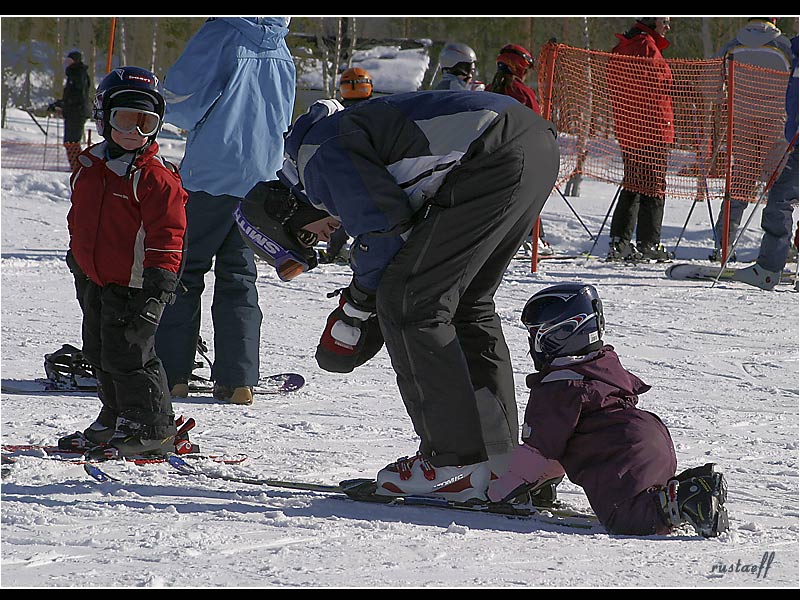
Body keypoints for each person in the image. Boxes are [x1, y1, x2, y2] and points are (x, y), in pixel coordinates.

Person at [237, 90, 560, 501]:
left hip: (494, 153)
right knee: (465, 306)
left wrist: (356, 307)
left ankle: (454, 464)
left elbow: (385, 235)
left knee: (411, 303)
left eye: (304, 237)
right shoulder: (330, 142)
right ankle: (501, 464)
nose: (323, 238)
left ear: (284, 212)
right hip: (528, 144)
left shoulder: (318, 157)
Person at [487, 283, 730, 538]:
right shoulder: (601, 366)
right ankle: (693, 484)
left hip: (622, 451)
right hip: (644, 436)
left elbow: (540, 451)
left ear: (558, 335)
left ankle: (687, 500)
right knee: (646, 493)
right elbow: (557, 454)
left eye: (536, 334)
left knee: (629, 519)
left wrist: (498, 491)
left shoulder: (558, 389)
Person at [155, 17, 296, 406]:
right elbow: (284, 116)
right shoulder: (279, 44)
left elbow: (182, 99)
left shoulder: (222, 32)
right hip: (261, 175)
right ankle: (238, 378)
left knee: (185, 271)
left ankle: (171, 373)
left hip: (213, 173)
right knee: (239, 276)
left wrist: (161, 104)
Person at [57, 66, 188, 458]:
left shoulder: (154, 178)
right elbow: (78, 216)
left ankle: (153, 425)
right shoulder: (88, 166)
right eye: (124, 119)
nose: (134, 130)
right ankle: (115, 416)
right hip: (96, 279)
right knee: (99, 351)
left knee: (131, 355)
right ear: (103, 118)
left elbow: (169, 235)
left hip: (137, 284)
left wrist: (160, 286)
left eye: (146, 122)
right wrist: (77, 257)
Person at [709, 18, 793, 262]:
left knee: (740, 184)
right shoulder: (784, 46)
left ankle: (724, 245)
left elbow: (710, 84)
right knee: (779, 189)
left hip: (742, 121)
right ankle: (780, 248)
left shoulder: (732, 45)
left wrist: (724, 98)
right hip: (777, 123)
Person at [606, 17, 674, 263]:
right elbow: (659, 82)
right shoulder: (646, 46)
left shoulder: (623, 46)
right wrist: (680, 85)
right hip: (652, 128)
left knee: (633, 185)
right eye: (664, 21)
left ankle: (620, 241)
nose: (668, 26)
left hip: (630, 128)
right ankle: (648, 243)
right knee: (654, 186)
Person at [734, 34, 798, 289]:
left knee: (780, 200)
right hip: (792, 136)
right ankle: (769, 267)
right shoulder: (791, 48)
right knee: (780, 198)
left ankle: (769, 268)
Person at [486, 43, 553, 256]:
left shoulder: (489, 89)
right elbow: (537, 124)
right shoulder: (522, 92)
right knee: (530, 195)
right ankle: (533, 240)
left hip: (492, 155)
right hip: (520, 154)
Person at [319, 67, 375, 265]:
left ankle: (334, 249)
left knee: (339, 212)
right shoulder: (377, 111)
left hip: (340, 170)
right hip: (369, 170)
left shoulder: (336, 112)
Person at [48, 49, 93, 172]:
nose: (67, 64)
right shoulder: (74, 74)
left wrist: (62, 104)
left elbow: (77, 96)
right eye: (66, 61)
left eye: (69, 61)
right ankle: (77, 166)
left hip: (77, 112)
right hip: (73, 112)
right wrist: (61, 104)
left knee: (71, 142)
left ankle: (78, 167)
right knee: (70, 141)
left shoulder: (78, 74)